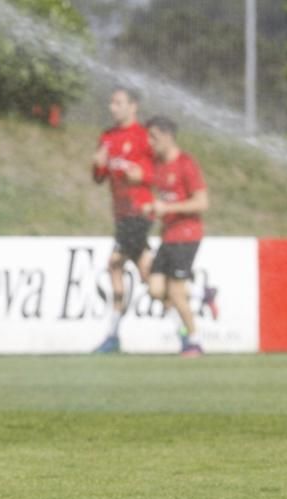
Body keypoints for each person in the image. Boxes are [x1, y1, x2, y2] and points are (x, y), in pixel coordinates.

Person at [91, 87, 156, 353]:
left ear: (133, 106)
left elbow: (156, 174)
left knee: (115, 264)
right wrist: (97, 164)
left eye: (118, 102)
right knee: (147, 276)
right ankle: (186, 329)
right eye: (111, 102)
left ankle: (113, 335)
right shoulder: (107, 137)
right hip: (121, 215)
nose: (112, 107)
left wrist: (141, 175)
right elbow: (99, 178)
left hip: (139, 212)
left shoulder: (143, 137)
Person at [144, 115, 215, 357]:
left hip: (187, 235)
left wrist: (168, 209)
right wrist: (153, 208)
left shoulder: (186, 164)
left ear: (167, 136)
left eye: (153, 137)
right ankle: (200, 294)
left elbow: (202, 202)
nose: (149, 142)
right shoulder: (158, 164)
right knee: (155, 289)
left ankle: (194, 341)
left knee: (175, 292)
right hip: (168, 236)